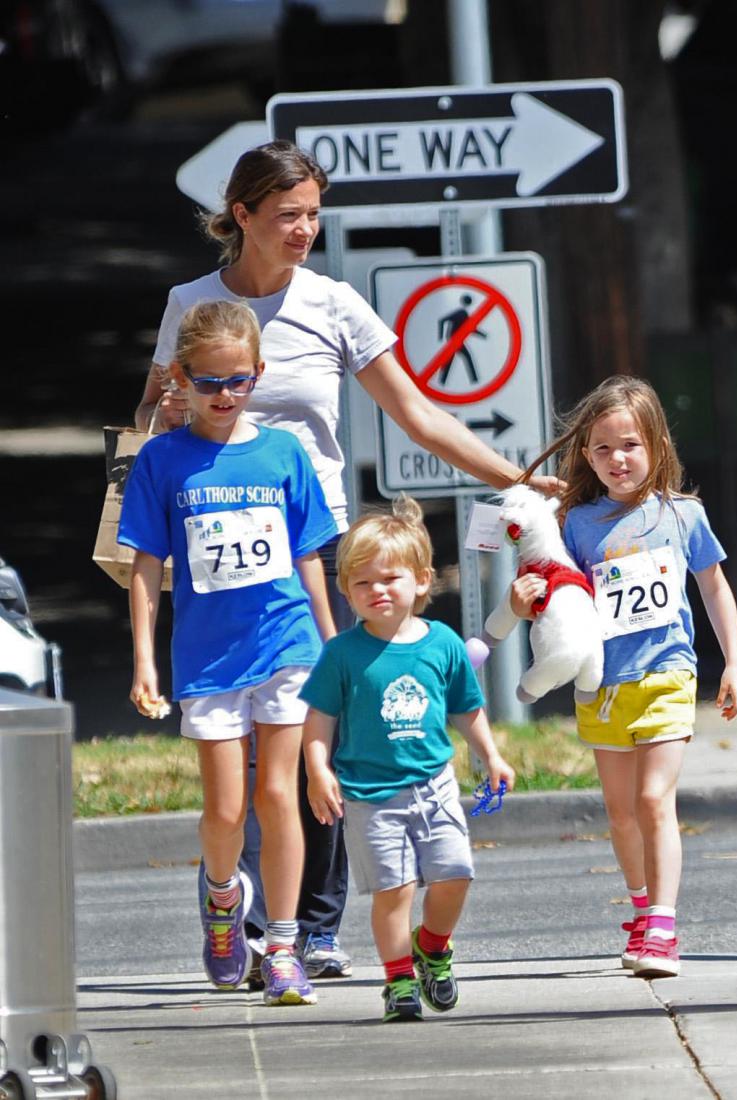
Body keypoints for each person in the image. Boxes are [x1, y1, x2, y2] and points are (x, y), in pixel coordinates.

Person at [134, 140, 556, 981]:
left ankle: (308, 929)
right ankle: (237, 915)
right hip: (217, 543)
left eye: (313, 216)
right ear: (243, 215)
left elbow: (418, 413)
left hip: (316, 548)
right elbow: (145, 425)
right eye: (288, 215)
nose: (304, 231)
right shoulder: (192, 303)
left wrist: (520, 476)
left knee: (317, 732)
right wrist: (169, 407)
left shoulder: (333, 303)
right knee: (238, 766)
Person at [119, 300, 336, 1006]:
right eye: (208, 382)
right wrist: (146, 661)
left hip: (287, 644)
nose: (223, 395)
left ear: (258, 375)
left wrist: (334, 648)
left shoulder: (282, 453)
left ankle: (281, 944)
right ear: (181, 377)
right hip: (209, 660)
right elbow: (147, 564)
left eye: (237, 380)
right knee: (225, 811)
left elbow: (308, 559)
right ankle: (221, 904)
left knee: (280, 797)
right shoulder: (162, 459)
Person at [517, 376, 737, 979]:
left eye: (631, 445)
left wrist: (735, 663)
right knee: (620, 813)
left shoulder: (683, 515)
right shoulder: (575, 523)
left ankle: (665, 928)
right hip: (602, 684)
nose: (618, 459)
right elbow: (553, 595)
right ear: (587, 456)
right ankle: (643, 909)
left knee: (653, 800)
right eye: (603, 449)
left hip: (668, 674)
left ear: (656, 445)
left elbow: (715, 587)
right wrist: (524, 603)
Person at [299, 497, 515, 1022]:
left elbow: (466, 708)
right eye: (362, 582)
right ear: (347, 591)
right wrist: (317, 771)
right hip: (371, 795)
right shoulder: (342, 654)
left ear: (421, 581)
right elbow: (319, 721)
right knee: (392, 893)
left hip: (434, 785)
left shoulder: (441, 643)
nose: (377, 591)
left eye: (389, 578)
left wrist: (490, 754)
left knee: (455, 874)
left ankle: (433, 947)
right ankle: (398, 981)